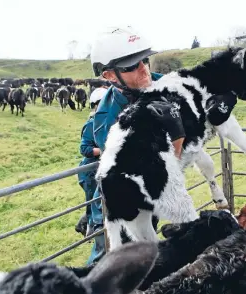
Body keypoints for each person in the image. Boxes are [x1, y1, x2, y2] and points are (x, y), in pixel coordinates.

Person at [84, 26, 188, 265]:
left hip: (160, 188)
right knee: (121, 257)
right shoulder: (108, 120)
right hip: (130, 194)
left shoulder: (161, 84)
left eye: (145, 60)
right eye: (132, 66)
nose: (144, 69)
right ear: (110, 76)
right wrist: (176, 133)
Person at [75, 88, 108, 238]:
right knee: (93, 202)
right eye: (102, 103)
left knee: (99, 201)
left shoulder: (109, 121)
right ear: (95, 105)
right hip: (90, 172)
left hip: (100, 169)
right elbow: (84, 149)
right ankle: (91, 231)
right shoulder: (92, 124)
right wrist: (105, 150)